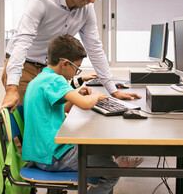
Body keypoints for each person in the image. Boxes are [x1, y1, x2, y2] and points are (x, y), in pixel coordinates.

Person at [1, 0, 141, 112]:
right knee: (27, 122)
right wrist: (11, 87)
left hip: (51, 70)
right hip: (25, 66)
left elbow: (95, 48)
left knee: (52, 118)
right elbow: (22, 42)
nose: (92, 0)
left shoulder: (86, 10)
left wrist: (114, 91)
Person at [22, 35, 119, 194]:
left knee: (103, 156)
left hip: (39, 154)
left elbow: (63, 107)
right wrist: (95, 96)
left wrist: (76, 94)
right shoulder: (55, 81)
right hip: (53, 156)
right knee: (112, 171)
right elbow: (86, 104)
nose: (76, 73)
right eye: (77, 67)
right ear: (65, 63)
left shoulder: (40, 78)